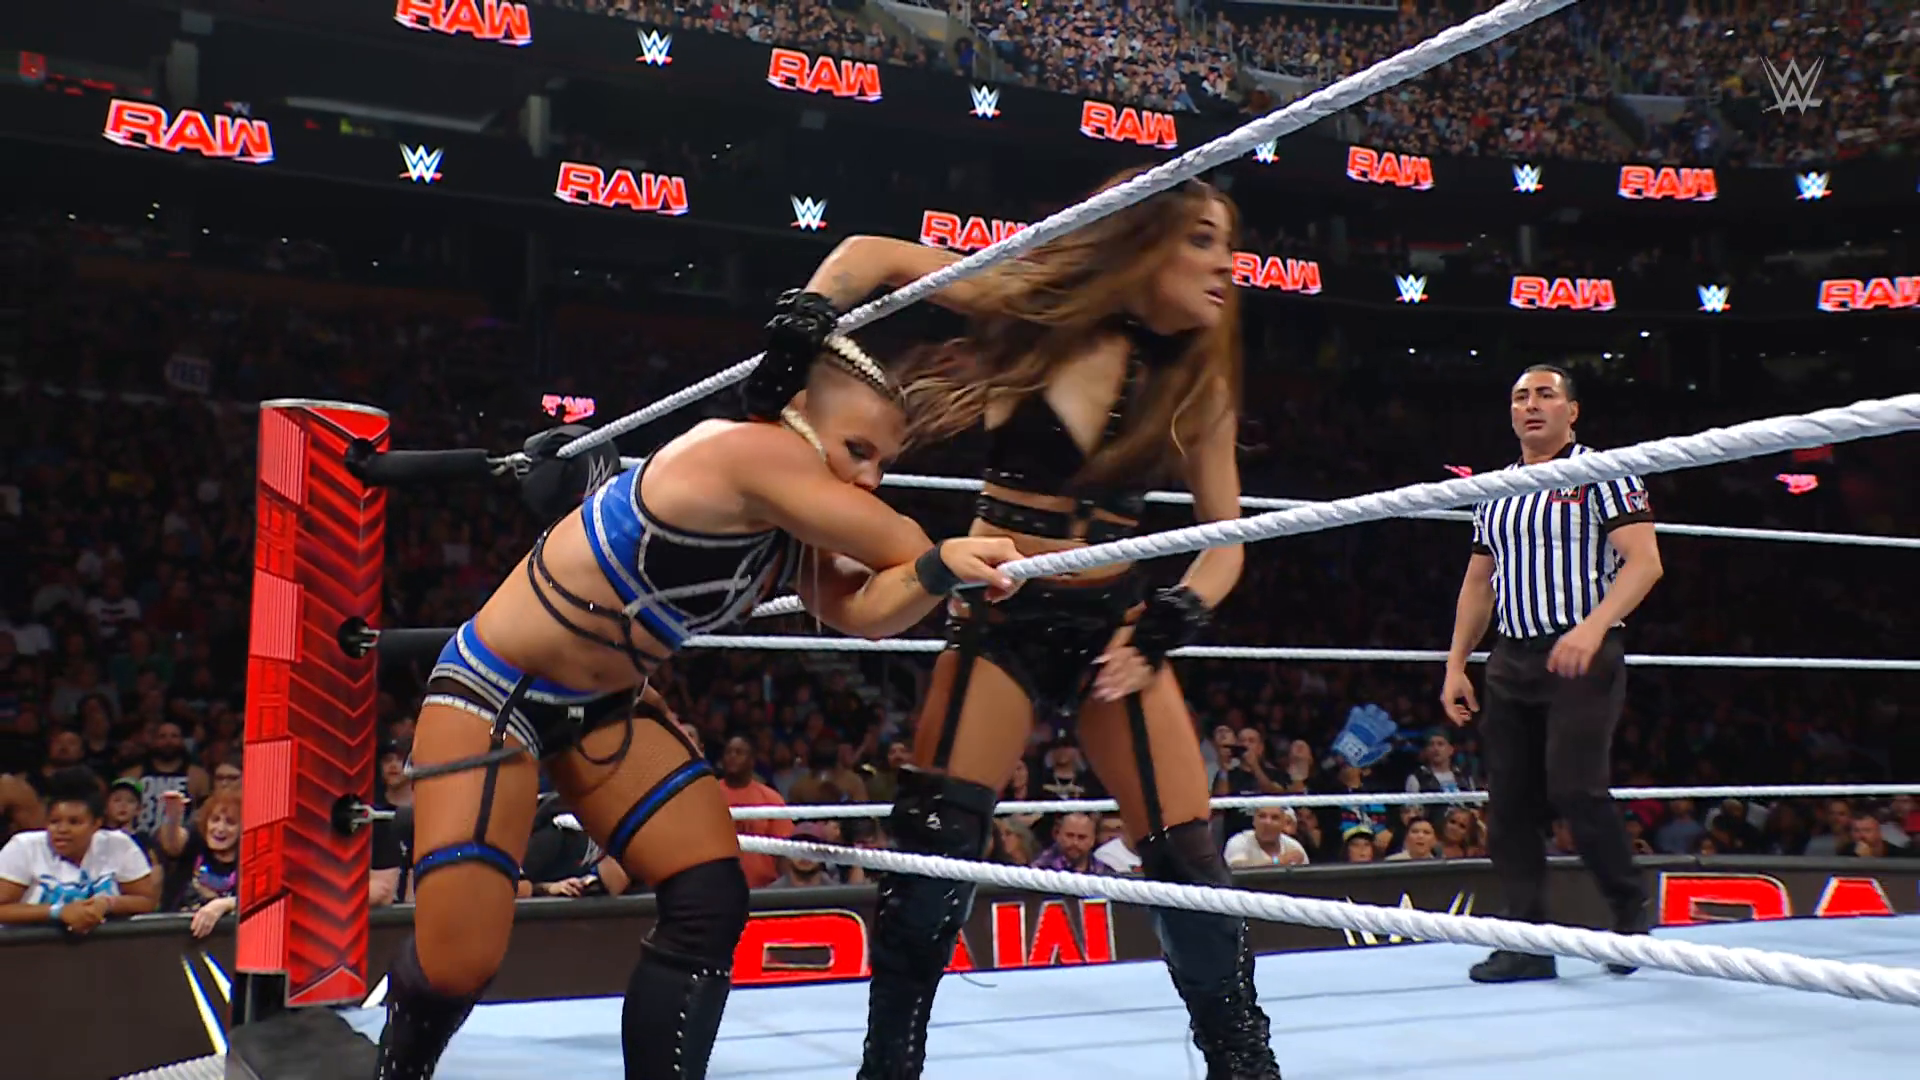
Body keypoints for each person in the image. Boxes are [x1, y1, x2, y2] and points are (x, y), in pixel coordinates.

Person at [374, 323, 1025, 1080]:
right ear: (797, 415)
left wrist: (938, 572)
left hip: (606, 708)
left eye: (884, 461)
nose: (870, 477)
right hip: (496, 692)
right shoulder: (748, 452)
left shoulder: (799, 516)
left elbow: (866, 611)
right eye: (858, 450)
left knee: (710, 899)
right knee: (460, 960)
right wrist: (941, 554)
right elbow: (896, 540)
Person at [805, 168, 1280, 1080]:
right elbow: (871, 255)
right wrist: (802, 325)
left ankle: (1244, 1065)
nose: (1228, 265)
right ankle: (888, 1066)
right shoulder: (1035, 310)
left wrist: (1173, 618)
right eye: (1203, 240)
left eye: (1229, 245)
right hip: (1005, 609)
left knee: (1188, 857)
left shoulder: (1198, 382)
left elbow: (1227, 543)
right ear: (1142, 242)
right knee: (937, 845)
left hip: (1116, 623)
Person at [1440, 364, 1663, 984]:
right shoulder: (1495, 488)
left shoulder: (1603, 471)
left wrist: (1593, 627)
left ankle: (1630, 912)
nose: (1531, 405)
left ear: (1572, 411)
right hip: (1510, 658)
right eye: (1520, 396)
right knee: (1509, 803)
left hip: (1582, 652)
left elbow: (1645, 563)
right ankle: (1528, 941)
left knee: (1575, 789)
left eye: (1545, 394)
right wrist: (1456, 663)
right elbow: (1479, 582)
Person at [0, 767, 161, 929]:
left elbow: (147, 901)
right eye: (54, 822)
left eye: (74, 822)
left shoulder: (118, 844)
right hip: (32, 944)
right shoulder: (24, 847)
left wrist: (107, 903)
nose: (62, 830)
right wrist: (58, 912)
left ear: (96, 824)